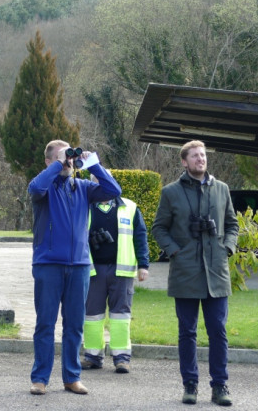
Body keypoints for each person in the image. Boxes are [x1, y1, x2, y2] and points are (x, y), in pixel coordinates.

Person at [28, 140, 122, 396]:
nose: (70, 161)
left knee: (75, 325)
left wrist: (94, 164)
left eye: (71, 156)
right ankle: (40, 378)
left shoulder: (83, 188)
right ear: (49, 162)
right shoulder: (44, 189)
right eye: (63, 157)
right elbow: (34, 187)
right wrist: (58, 164)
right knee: (45, 324)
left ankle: (72, 377)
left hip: (79, 264)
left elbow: (113, 190)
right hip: (48, 264)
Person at [151, 140, 238, 407]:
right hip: (185, 271)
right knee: (187, 332)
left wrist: (227, 248)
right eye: (195, 156)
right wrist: (174, 251)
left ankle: (220, 386)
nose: (201, 159)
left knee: (218, 331)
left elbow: (232, 224)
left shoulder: (221, 189)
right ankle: (190, 384)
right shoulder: (171, 192)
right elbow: (159, 228)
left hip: (216, 272)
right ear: (184, 162)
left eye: (203, 155)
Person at [81, 175, 149, 374]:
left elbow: (140, 236)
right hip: (92, 270)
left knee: (121, 315)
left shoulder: (130, 206)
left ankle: (122, 358)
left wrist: (143, 265)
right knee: (92, 316)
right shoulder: (85, 206)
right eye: (96, 181)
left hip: (122, 270)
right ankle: (93, 356)